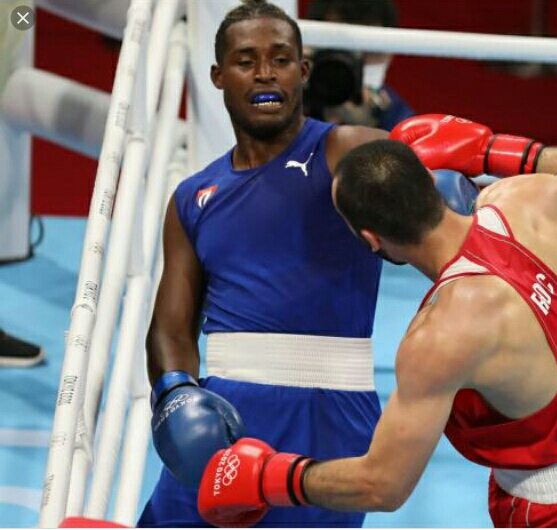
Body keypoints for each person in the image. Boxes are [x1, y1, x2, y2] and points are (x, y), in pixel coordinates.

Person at [196, 114, 557, 527]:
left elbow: (382, 485)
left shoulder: (439, 337)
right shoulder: (523, 197)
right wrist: (492, 149)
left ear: (371, 240)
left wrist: (270, 477)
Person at [137, 0, 391, 527]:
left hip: (329, 414)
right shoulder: (193, 197)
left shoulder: (345, 152)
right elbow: (170, 327)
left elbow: (432, 200)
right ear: (218, 76)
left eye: (279, 59)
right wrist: (177, 394)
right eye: (246, 60)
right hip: (223, 417)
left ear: (303, 71)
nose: (264, 73)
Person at [305, 0, 414, 130]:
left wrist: (371, 130)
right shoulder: (288, 101)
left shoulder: (403, 123)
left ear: (390, 54)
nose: (355, 61)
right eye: (341, 48)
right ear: (310, 45)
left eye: (371, 49)